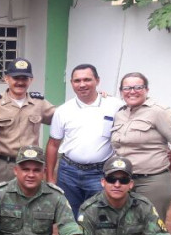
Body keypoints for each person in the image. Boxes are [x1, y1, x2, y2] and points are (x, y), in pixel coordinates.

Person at [46, 64, 123, 216]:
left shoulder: (115, 106)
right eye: (77, 81)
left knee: (100, 216)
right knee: (69, 215)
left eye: (87, 80)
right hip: (68, 172)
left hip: (100, 172)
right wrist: (49, 177)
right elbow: (53, 144)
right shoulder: (63, 111)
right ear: (71, 83)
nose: (82, 85)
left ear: (97, 81)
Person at [110, 72, 171, 221]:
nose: (132, 91)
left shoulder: (160, 112)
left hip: (152, 182)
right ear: (121, 91)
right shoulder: (120, 114)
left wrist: (167, 170)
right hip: (124, 180)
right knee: (125, 227)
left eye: (138, 87)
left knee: (151, 229)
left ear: (147, 90)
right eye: (127, 88)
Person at [0, 58, 55, 195]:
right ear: (6, 79)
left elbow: (64, 117)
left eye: (25, 78)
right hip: (1, 165)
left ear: (31, 80)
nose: (20, 82)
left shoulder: (39, 103)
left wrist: (95, 97)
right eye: (16, 78)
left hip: (30, 165)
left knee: (30, 203)